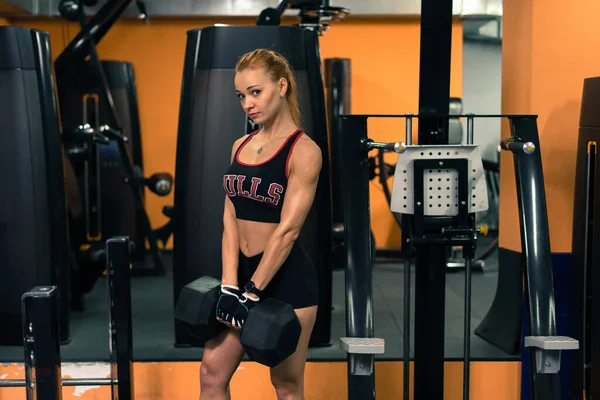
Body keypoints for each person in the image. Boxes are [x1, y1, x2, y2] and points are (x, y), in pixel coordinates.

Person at [199, 48, 322, 400]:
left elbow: (288, 231)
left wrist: (252, 292)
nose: (247, 103)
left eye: (256, 92)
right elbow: (230, 217)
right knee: (211, 373)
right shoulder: (241, 145)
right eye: (241, 96)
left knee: (286, 386)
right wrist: (228, 285)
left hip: (287, 282)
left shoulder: (304, 151)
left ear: (281, 86)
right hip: (241, 278)